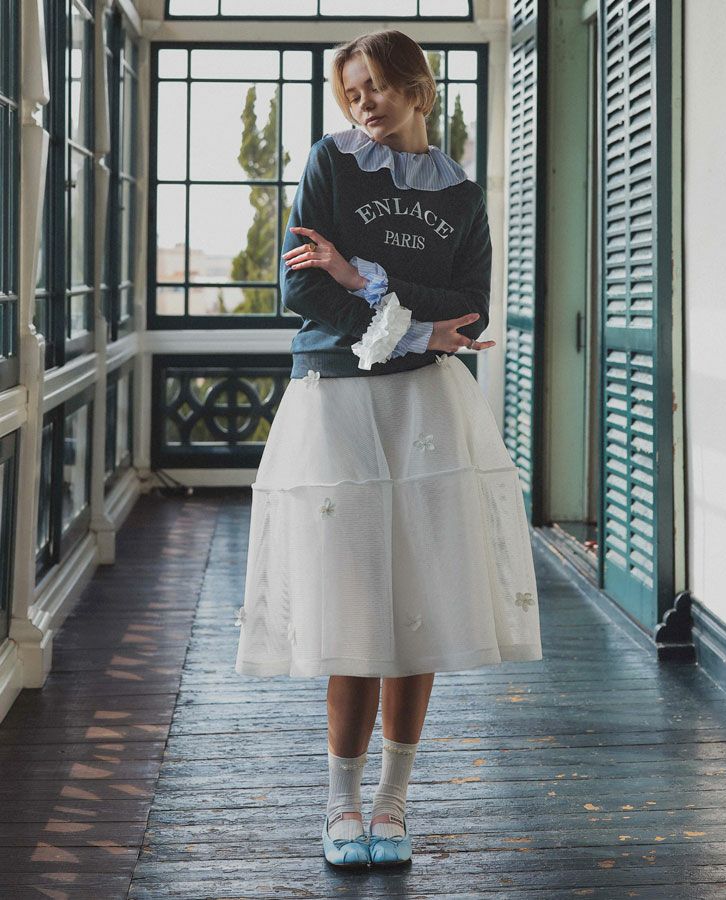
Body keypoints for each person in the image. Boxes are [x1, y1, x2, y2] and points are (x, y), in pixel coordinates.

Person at [234, 29, 543, 869]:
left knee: (421, 604)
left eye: (374, 84)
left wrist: (363, 278)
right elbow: (300, 286)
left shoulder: (463, 196)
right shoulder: (330, 164)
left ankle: (393, 803)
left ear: (415, 87)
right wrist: (412, 323)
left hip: (427, 410)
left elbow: (470, 310)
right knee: (353, 601)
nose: (362, 102)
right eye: (351, 90)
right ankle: (340, 806)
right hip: (336, 401)